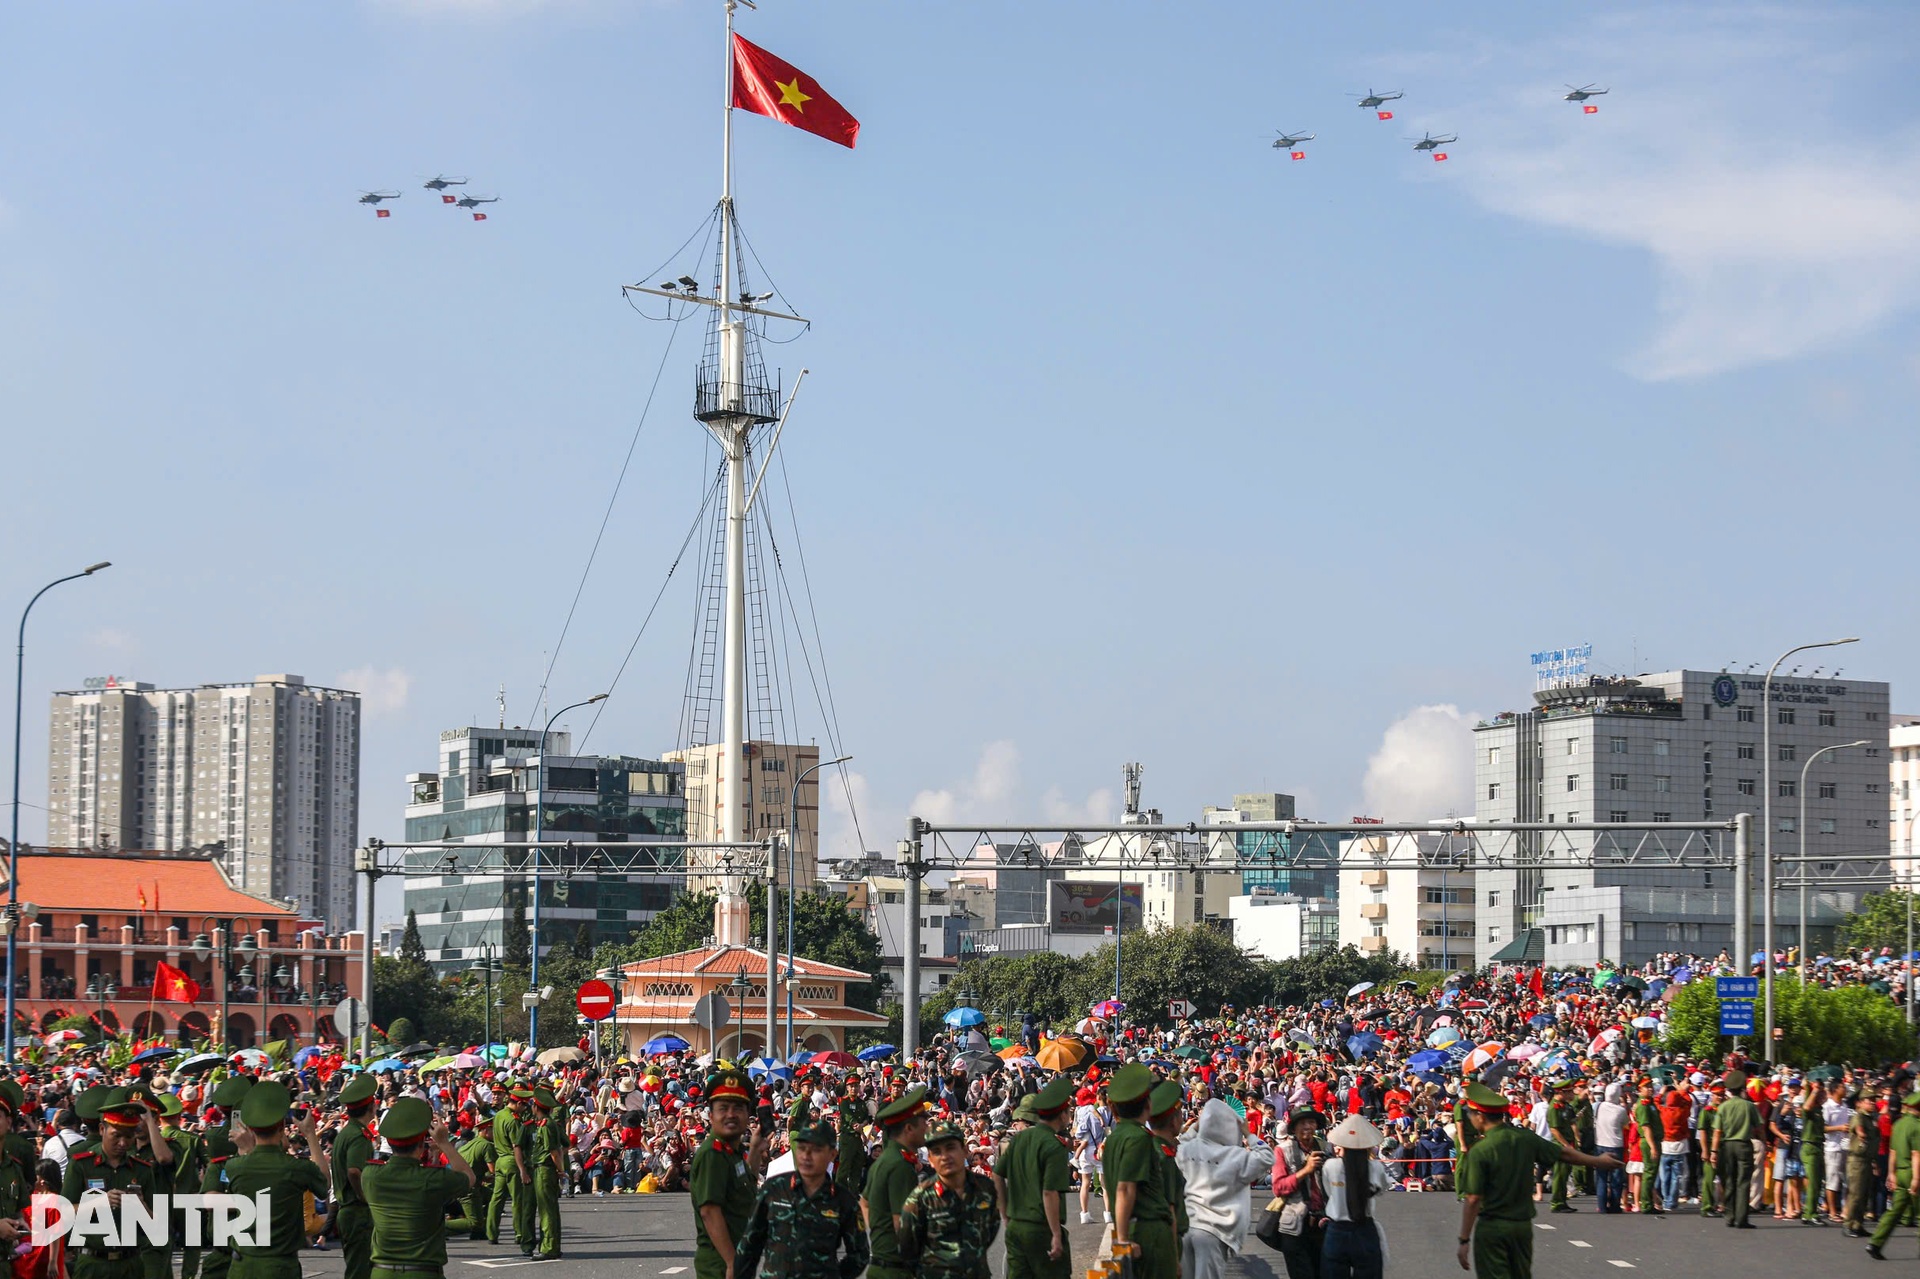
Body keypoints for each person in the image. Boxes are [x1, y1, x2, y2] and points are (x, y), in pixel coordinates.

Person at [1454, 1082, 1623, 1279]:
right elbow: (1564, 1154)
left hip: (1493, 1228)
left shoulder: (1480, 1150)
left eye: (1471, 1114)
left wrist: (1464, 1239)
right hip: (1522, 1227)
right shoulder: (1525, 1138)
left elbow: (1473, 1198)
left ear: (1480, 1117)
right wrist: (1598, 1161)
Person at [221, 1081, 333, 1279]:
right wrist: (310, 1135)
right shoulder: (297, 1168)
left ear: (251, 1129)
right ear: (282, 1127)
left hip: (241, 1267)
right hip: (280, 1267)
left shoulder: (235, 1166)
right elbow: (324, 1185)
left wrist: (247, 1149)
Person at [732, 1118, 868, 1279]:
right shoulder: (774, 1189)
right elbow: (749, 1246)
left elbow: (860, 1255)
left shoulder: (843, 1200)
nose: (806, 1156)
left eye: (816, 1149)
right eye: (802, 1148)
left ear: (832, 1154)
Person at [361, 1097, 475, 1279]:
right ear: (422, 1145)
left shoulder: (370, 1175)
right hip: (423, 1273)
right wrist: (444, 1143)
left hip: (381, 1271)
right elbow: (469, 1177)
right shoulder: (433, 1178)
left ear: (389, 1142)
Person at [63, 1090, 162, 1279]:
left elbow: (156, 1225)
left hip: (130, 1264)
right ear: (102, 1129)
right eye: (116, 1135)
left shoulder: (142, 1170)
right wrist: (98, 1203)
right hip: (92, 1264)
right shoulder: (82, 1165)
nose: (123, 1143)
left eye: (129, 1136)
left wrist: (140, 1207)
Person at [1177, 1097, 1273, 1279]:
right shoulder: (1236, 1156)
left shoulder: (1190, 1150)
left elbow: (1181, 1141)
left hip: (1188, 1226)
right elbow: (1267, 1157)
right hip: (1215, 1231)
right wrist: (1248, 1133)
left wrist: (1197, 1125)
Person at [992, 1077, 1074, 1279]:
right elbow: (1049, 1192)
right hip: (1042, 1230)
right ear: (1062, 1115)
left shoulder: (1018, 1140)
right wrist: (1055, 1234)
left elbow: (996, 1174)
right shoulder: (1054, 1145)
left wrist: (1005, 1214)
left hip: (1015, 1228)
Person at [897, 1119, 999, 1279]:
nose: (945, 1156)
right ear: (930, 1159)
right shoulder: (920, 1198)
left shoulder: (985, 1188)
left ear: (965, 1151)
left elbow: (991, 1228)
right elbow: (907, 1250)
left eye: (951, 1148)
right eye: (937, 1151)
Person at [1102, 1064, 1176, 1279]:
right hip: (1149, 1231)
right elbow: (1125, 1188)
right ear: (1148, 1104)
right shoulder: (1139, 1138)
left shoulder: (1115, 1138)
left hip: (1132, 1228)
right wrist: (1123, 1241)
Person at [692, 1069, 762, 1279]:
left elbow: (745, 1187)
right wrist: (732, 1263)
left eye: (738, 1108)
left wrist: (756, 1151)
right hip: (720, 1264)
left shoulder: (732, 1151)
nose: (731, 1114)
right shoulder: (712, 1154)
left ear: (748, 1114)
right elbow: (710, 1211)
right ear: (711, 1116)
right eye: (723, 1108)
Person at [863, 1085, 930, 1279]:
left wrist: (879, 1237)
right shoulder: (900, 1166)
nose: (927, 1126)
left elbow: (864, 1203)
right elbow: (902, 1225)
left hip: (883, 1264)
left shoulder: (886, 1159)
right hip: (896, 1270)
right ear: (909, 1128)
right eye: (923, 1121)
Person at [1319, 1115, 1389, 1279]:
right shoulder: (1376, 1167)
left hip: (1337, 1229)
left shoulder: (1331, 1166)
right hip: (1364, 1228)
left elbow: (1329, 1193)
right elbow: (1382, 1189)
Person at [333, 1073, 380, 1279]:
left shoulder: (346, 1133)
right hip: (356, 1211)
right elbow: (354, 1171)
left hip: (348, 1211)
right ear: (371, 1107)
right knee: (360, 1270)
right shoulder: (358, 1136)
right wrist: (364, 1195)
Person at [1270, 1108, 1327, 1279]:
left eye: (1311, 1122)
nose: (1308, 1127)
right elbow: (1278, 1188)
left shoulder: (1327, 1148)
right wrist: (1306, 1170)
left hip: (1325, 1224)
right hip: (1295, 1225)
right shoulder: (1282, 1150)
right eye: (1302, 1123)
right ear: (1293, 1129)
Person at [1866, 1088, 1920, 1260]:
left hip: (1900, 1172)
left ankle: (1875, 1242)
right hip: (1913, 1172)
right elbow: (1916, 1154)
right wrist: (1917, 1179)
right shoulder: (1917, 1127)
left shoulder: (1899, 1124)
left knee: (1895, 1211)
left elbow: (1893, 1151)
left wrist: (1891, 1173)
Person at [1710, 1071, 1760, 1230]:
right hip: (1744, 1144)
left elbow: (1717, 1132)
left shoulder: (1723, 1107)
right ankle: (1741, 1218)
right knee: (1743, 1182)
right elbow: (1759, 1127)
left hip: (1727, 1146)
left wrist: (1713, 1152)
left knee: (1729, 1181)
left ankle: (1730, 1216)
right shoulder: (1749, 1106)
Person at [529, 1088, 565, 1259]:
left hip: (544, 1169)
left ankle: (549, 1247)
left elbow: (554, 1152)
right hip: (545, 1169)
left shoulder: (546, 1125)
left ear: (537, 1107)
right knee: (550, 1208)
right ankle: (553, 1245)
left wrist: (561, 1170)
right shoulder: (549, 1123)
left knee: (546, 1210)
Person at [1546, 1081, 1579, 1213]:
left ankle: (1562, 1201)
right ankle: (1556, 1202)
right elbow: (1554, 1130)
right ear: (1561, 1092)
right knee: (1559, 1174)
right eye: (1569, 1092)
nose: (1571, 1094)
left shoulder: (1565, 1106)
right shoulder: (1554, 1108)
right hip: (1560, 1145)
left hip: (1568, 1143)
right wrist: (1566, 1145)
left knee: (1565, 1174)